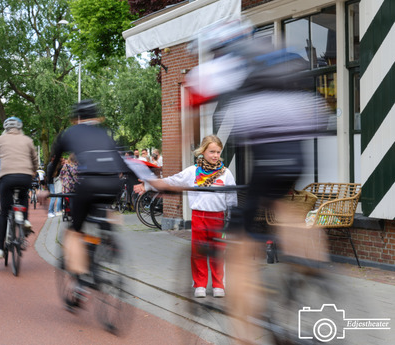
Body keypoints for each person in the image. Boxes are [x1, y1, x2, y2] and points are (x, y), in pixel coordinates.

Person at [186, 18, 331, 342]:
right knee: (285, 207)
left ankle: (246, 333)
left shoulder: (217, 66)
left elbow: (192, 109)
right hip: (296, 143)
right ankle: (313, 268)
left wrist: (191, 141)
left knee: (239, 245)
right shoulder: (278, 52)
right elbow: (317, 108)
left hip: (266, 146)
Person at [134, 135, 237, 298]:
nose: (215, 155)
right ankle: (200, 284)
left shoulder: (226, 174)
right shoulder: (193, 172)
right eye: (212, 151)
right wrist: (147, 185)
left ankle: (218, 285)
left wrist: (231, 219)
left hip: (218, 218)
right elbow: (171, 181)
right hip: (199, 217)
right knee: (199, 251)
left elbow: (231, 198)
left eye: (218, 152)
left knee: (218, 251)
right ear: (202, 151)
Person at [47, 99, 128, 279]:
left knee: (75, 229)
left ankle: (80, 287)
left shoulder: (69, 132)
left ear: (76, 118)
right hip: (113, 184)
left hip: (89, 183)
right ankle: (108, 239)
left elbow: (54, 161)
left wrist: (47, 183)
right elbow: (120, 161)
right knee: (100, 214)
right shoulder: (104, 133)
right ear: (96, 117)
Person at [0, 116, 38, 259]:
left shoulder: (0, 139)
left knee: (4, 212)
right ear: (20, 127)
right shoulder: (28, 140)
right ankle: (26, 220)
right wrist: (33, 172)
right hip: (25, 177)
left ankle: (0, 248)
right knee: (23, 196)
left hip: (7, 177)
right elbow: (34, 158)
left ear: (6, 128)